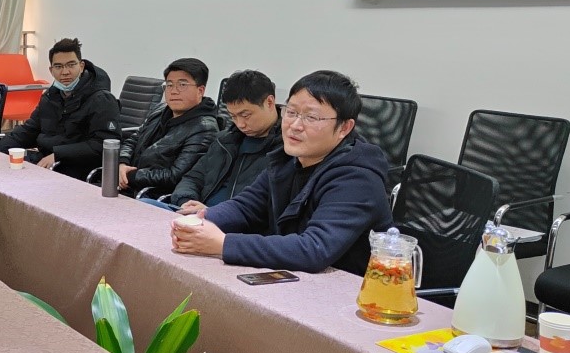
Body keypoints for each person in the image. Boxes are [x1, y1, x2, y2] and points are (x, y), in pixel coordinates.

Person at [171, 70, 394, 275]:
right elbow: (246, 207)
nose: (295, 125)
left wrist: (223, 244)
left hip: (348, 293)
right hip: (296, 280)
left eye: (311, 117)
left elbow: (314, 249)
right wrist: (199, 221)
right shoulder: (287, 159)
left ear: (344, 128)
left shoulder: (358, 178)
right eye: (291, 112)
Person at [0, 37, 120, 180]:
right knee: (1, 170)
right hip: (47, 161)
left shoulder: (101, 99)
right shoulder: (50, 97)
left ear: (81, 66)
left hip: (77, 167)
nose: (65, 72)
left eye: (71, 65)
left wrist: (58, 154)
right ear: (51, 70)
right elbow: (29, 130)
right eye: (59, 66)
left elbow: (103, 144)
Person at [164, 69, 284, 209]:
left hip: (230, 219)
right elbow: (193, 178)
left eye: (245, 115)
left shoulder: (285, 150)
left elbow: (266, 206)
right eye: (233, 116)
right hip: (194, 214)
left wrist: (213, 213)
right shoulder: (224, 141)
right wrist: (186, 201)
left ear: (269, 102)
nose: (240, 124)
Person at [117, 57, 218, 197]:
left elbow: (175, 176)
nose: (174, 91)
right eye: (169, 85)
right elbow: (134, 140)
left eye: (182, 85)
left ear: (200, 90)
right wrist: (122, 163)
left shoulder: (204, 128)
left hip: (152, 196)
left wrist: (131, 175)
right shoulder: (160, 110)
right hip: (128, 186)